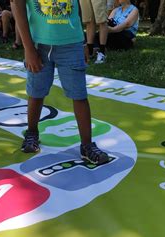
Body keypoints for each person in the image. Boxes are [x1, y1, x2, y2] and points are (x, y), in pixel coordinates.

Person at [13, 0, 110, 164]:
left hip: (72, 44)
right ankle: (32, 133)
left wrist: (85, 41)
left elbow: (78, 7)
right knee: (36, 92)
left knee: (79, 94)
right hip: (38, 44)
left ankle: (87, 145)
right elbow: (17, 6)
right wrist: (28, 48)